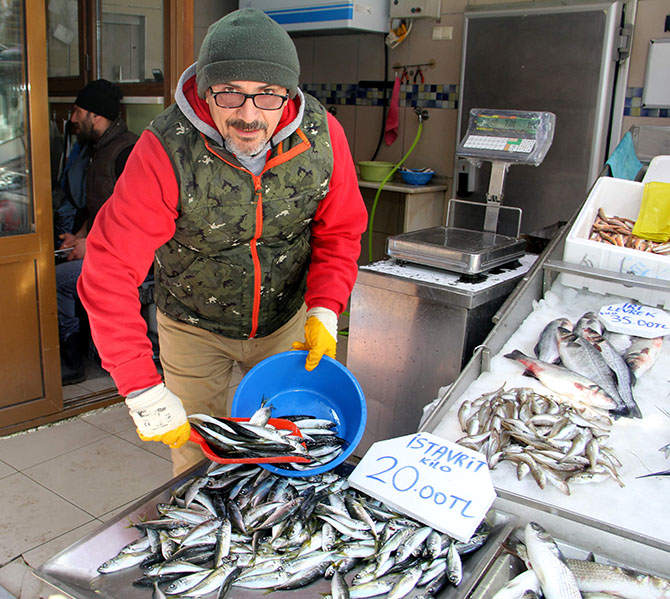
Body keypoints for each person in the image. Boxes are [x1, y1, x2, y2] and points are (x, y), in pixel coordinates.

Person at [78, 8, 368, 475]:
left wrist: (325, 308)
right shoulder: (165, 149)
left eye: (267, 95)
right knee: (196, 455)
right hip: (193, 326)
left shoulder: (323, 137)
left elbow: (340, 229)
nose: (248, 115)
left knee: (286, 448)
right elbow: (108, 270)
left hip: (285, 326)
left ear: (288, 93)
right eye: (230, 93)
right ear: (205, 88)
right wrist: (141, 387)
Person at [57, 79, 138, 384]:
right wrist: (77, 237)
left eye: (78, 111)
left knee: (57, 282)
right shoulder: (97, 149)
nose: (73, 118)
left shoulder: (128, 151)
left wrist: (90, 246)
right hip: (102, 246)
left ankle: (72, 361)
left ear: (96, 115)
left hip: (127, 258)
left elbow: (133, 218)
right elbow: (100, 208)